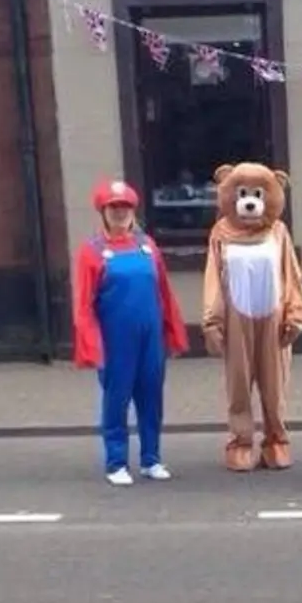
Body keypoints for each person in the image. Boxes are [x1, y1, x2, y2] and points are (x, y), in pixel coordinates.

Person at [73, 180, 189, 486]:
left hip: (150, 338)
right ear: (103, 212)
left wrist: (173, 334)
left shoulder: (147, 246)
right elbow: (84, 304)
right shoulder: (92, 252)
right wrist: (90, 346)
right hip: (115, 340)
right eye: (114, 208)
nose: (120, 213)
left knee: (151, 398)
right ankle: (116, 462)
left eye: (125, 207)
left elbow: (164, 293)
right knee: (117, 400)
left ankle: (151, 459)